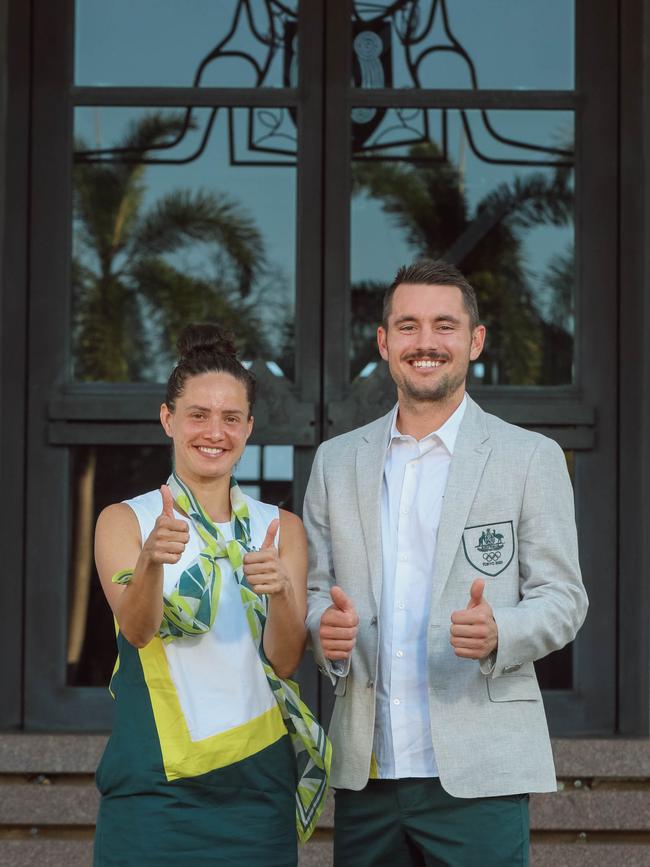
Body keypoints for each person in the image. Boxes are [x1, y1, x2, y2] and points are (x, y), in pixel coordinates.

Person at [304, 259, 588, 867]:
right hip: (368, 770)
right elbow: (314, 590)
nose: (425, 342)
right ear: (383, 343)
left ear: (474, 340)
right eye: (407, 326)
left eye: (444, 326)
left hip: (480, 774)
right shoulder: (336, 461)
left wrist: (500, 631)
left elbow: (564, 598)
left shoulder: (529, 457)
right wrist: (320, 627)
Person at [93, 324, 330, 867]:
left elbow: (286, 660)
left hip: (255, 785)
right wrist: (152, 562)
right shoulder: (126, 520)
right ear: (167, 419)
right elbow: (137, 629)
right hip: (155, 785)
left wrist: (285, 592)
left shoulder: (279, 528)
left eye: (230, 418)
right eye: (198, 414)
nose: (213, 432)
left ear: (249, 428)